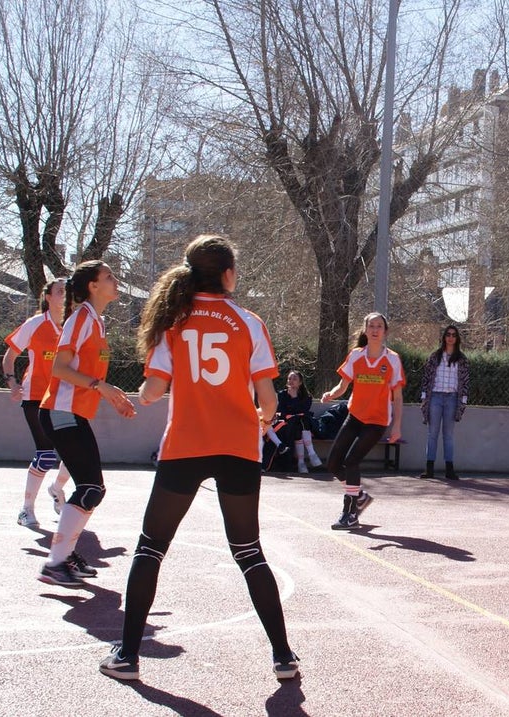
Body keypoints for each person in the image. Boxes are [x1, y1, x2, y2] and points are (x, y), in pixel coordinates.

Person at [100, 235, 298, 682]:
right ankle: (283, 656)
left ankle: (127, 656)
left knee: (151, 547)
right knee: (249, 552)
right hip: (238, 448)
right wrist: (260, 421)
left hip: (185, 446)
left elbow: (152, 391)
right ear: (227, 274)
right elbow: (268, 401)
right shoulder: (248, 322)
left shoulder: (173, 323)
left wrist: (133, 396)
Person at [36, 261, 136, 586]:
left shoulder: (97, 322)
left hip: (74, 414)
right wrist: (100, 387)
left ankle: (64, 556)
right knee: (91, 487)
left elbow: (90, 372)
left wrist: (110, 393)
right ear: (93, 286)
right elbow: (60, 369)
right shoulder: (80, 318)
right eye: (109, 276)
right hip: (60, 412)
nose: (115, 280)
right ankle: (55, 562)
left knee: (93, 488)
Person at [320, 312, 405, 530]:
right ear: (365, 331)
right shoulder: (356, 355)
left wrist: (396, 426)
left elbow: (397, 396)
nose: (375, 330)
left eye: (379, 326)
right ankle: (359, 496)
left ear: (385, 331)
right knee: (333, 462)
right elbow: (343, 385)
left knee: (352, 461)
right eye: (371, 326)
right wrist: (331, 393)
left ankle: (350, 514)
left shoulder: (392, 359)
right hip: (355, 415)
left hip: (377, 421)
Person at [3, 278, 73, 528]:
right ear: (48, 297)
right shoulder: (35, 324)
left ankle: (56, 489)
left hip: (64, 396)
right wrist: (12, 383)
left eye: (68, 292)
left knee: (74, 453)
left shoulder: (74, 325)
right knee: (45, 456)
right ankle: (26, 510)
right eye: (60, 292)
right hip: (35, 396)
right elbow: (10, 356)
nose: (65, 296)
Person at [418, 325, 470, 481]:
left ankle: (449, 469)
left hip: (452, 398)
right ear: (444, 337)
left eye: (454, 335)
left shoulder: (462, 359)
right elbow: (426, 378)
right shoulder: (435, 356)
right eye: (448, 334)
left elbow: (466, 382)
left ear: (457, 338)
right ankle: (429, 469)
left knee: (448, 435)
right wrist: (424, 397)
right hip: (435, 397)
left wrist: (463, 400)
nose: (451, 337)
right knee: (432, 433)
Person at [275, 370, 324, 473]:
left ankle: (301, 462)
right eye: (289, 378)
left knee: (301, 422)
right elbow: (281, 411)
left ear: (300, 382)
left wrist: (295, 398)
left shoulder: (307, 396)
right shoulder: (282, 395)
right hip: (288, 423)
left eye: (294, 379)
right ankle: (310, 454)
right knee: (299, 422)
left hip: (300, 423)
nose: (291, 381)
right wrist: (292, 399)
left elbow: (304, 410)